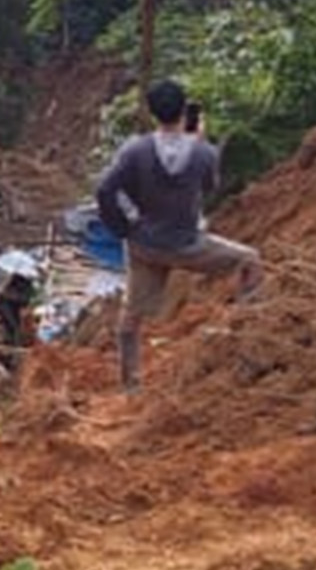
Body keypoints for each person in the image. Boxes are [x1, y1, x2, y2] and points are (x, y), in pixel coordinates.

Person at [89, 78, 262, 392]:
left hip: (145, 244)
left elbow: (104, 189)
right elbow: (210, 188)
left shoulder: (135, 150)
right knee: (251, 261)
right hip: (187, 243)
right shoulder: (204, 153)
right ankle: (243, 340)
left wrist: (122, 228)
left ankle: (130, 386)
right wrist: (199, 142)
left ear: (152, 113)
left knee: (131, 318)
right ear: (185, 111)